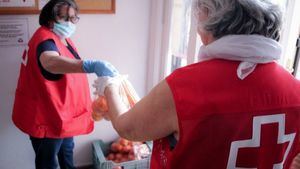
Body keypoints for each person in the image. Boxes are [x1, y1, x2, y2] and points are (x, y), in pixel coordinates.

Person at [96, 0, 300, 168]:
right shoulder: (295, 89)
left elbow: (128, 128)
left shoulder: (186, 85)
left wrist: (109, 85)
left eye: (201, 19)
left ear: (215, 24)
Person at [12, 0, 118, 169]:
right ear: (50, 19)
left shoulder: (61, 38)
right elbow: (51, 61)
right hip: (47, 116)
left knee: (67, 150)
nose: (69, 23)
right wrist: (89, 65)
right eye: (64, 18)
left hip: (63, 113)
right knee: (48, 160)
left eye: (73, 18)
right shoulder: (44, 40)